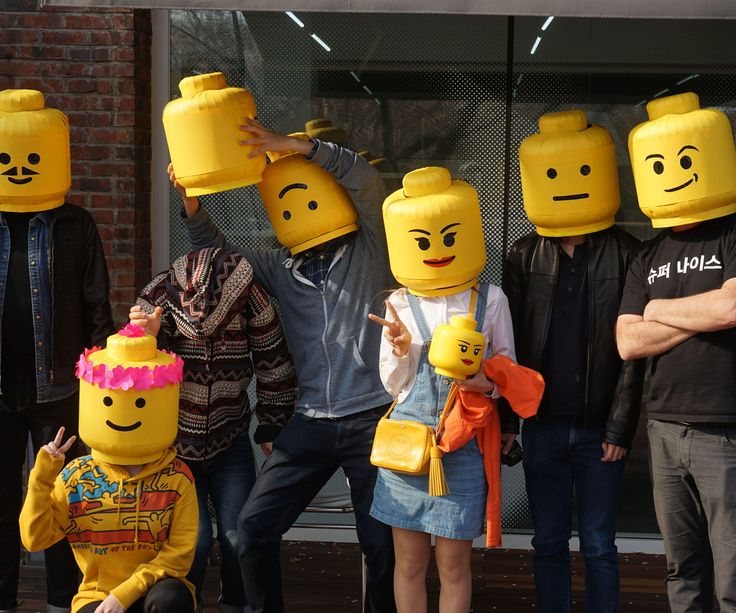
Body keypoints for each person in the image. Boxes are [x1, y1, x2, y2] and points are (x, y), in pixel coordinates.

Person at [170, 118, 396, 613]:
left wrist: (294, 146)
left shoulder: (369, 248)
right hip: (311, 420)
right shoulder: (278, 268)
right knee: (253, 528)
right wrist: (192, 207)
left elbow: (366, 179)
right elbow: (219, 257)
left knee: (381, 544)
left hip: (373, 418)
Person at [505, 109, 643, 613]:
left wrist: (620, 427)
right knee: (547, 541)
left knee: (600, 544)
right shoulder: (524, 254)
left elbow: (634, 352)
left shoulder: (628, 252)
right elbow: (509, 345)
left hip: (599, 429)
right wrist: (508, 422)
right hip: (541, 424)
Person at [368, 166, 519, 612]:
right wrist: (398, 349)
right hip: (408, 445)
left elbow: (508, 367)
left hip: (464, 444)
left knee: (455, 567)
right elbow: (393, 387)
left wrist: (485, 382)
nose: (435, 248)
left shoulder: (490, 299)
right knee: (409, 563)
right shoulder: (397, 302)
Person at [617, 92, 736, 612]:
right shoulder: (649, 251)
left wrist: (659, 309)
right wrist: (698, 311)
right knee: (681, 570)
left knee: (733, 573)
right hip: (664, 428)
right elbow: (626, 341)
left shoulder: (733, 233)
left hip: (725, 431)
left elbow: (732, 309)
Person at [130, 246, 298, 613]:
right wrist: (152, 338)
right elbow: (129, 380)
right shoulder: (156, 298)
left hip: (229, 439)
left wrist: (272, 423)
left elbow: (273, 361)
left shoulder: (250, 292)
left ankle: (234, 604)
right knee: (195, 539)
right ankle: (183, 604)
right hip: (173, 449)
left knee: (240, 536)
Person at [0, 88, 114, 613]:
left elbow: (98, 306)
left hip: (63, 387)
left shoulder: (75, 224)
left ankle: (62, 601)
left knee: (63, 499)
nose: (17, 169)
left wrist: (98, 380)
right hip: (0, 388)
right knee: (1, 502)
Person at [19, 324, 198, 613]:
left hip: (157, 589)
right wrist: (42, 478)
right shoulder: (76, 477)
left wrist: (124, 595)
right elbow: (34, 539)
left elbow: (179, 556)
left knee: (170, 599)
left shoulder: (177, 478)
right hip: (97, 596)